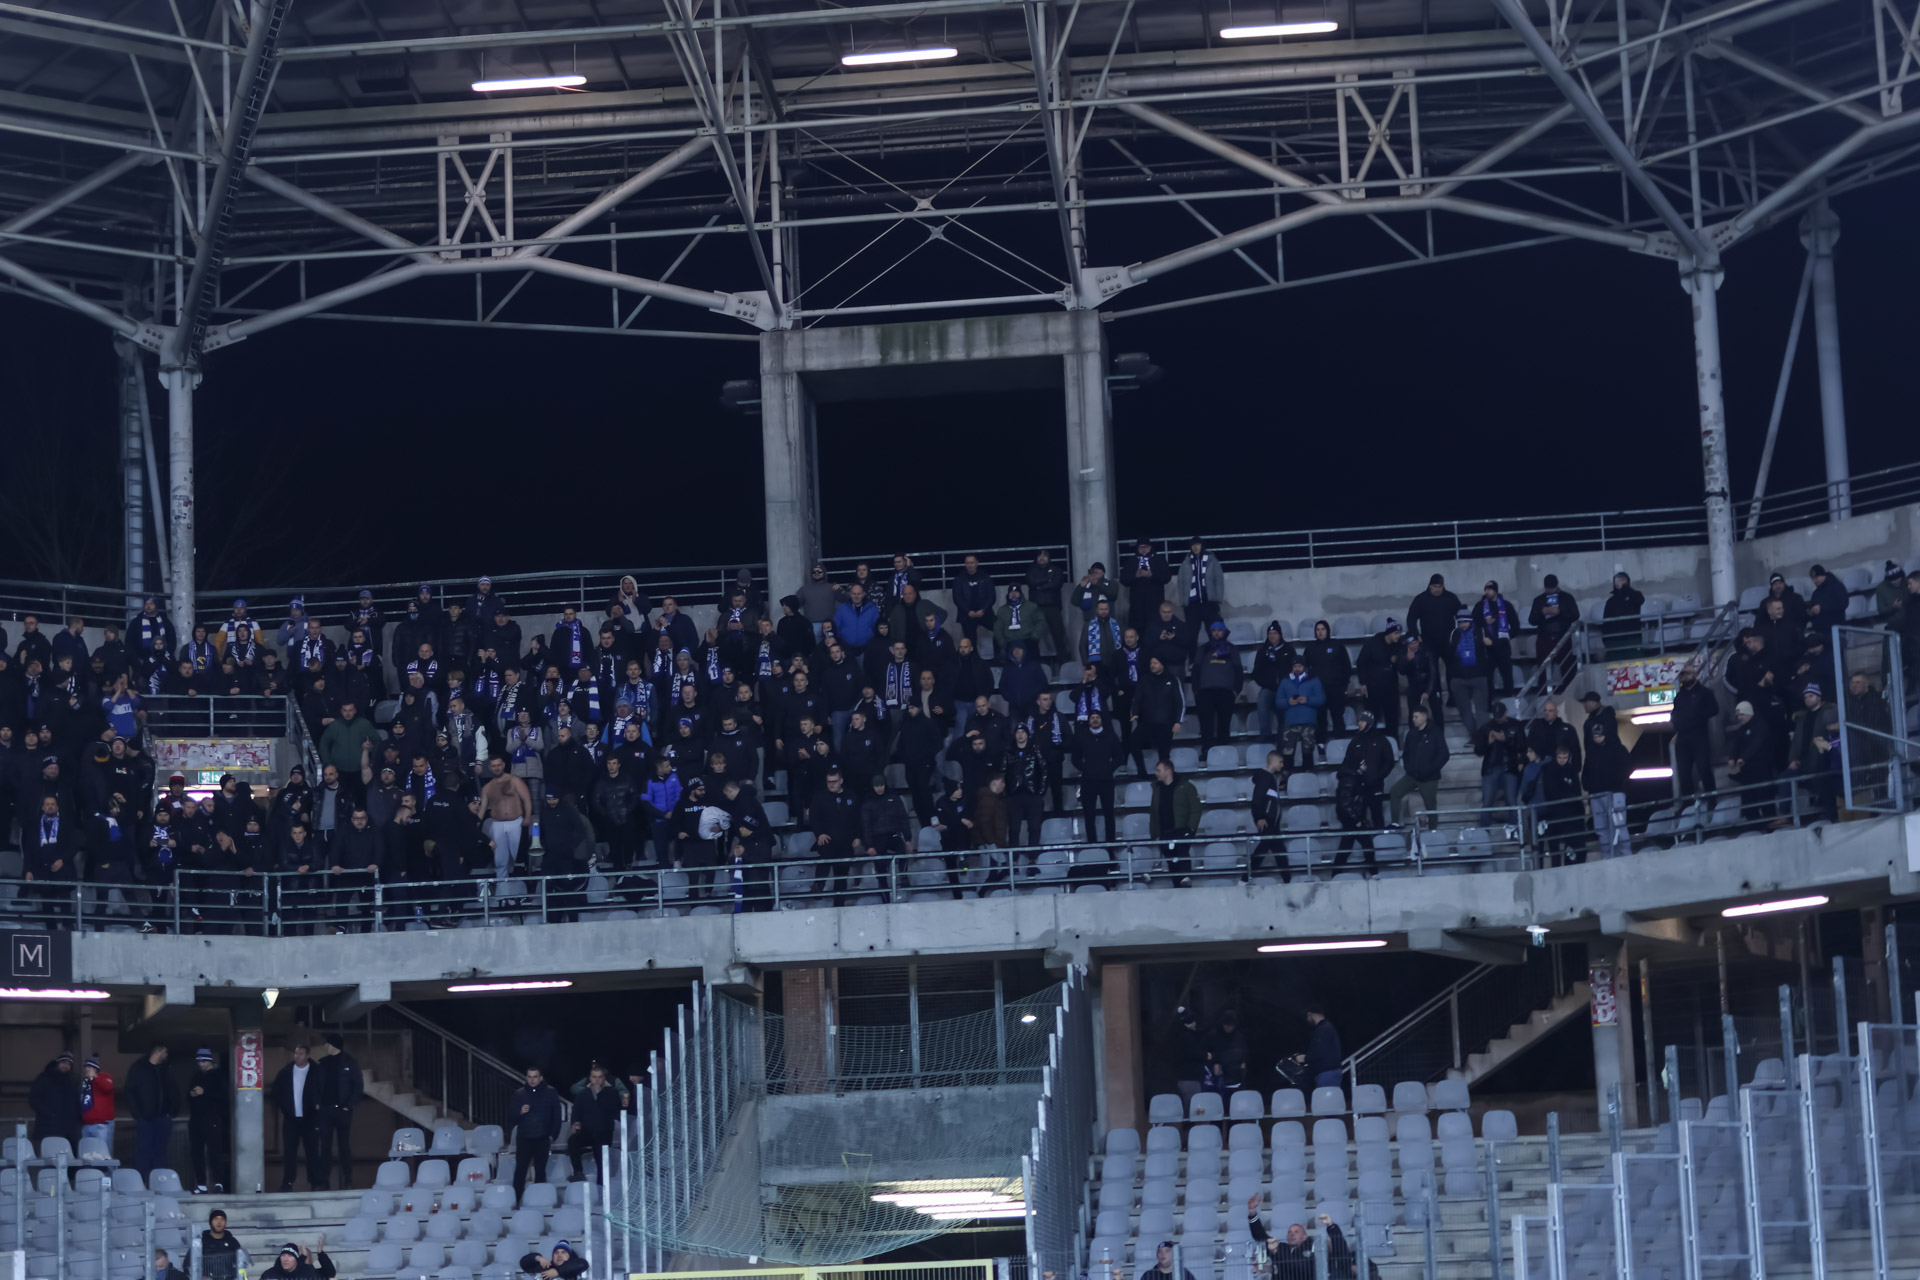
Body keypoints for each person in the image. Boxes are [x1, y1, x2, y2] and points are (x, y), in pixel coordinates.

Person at [1334, 710, 1393, 869]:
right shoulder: (1355, 742)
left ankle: (1380, 852)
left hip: (1375, 787)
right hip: (1357, 791)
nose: (1359, 723)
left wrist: (1378, 776)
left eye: (1362, 720)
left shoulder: (1381, 741)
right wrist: (1357, 773)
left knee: (1377, 817)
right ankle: (1370, 865)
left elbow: (1389, 762)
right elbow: (1345, 766)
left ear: (1369, 723)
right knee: (1356, 825)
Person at [1247, 1197, 1356, 1280]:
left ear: (1305, 1236)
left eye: (1296, 1231)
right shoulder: (1280, 1247)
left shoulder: (1314, 1247)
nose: (1292, 1234)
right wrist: (1252, 1213)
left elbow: (1340, 1248)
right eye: (1289, 1232)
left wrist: (1331, 1227)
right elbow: (1260, 1236)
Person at [271, 1044, 328, 1192]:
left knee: (312, 1151)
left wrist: (317, 1106)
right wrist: (285, 1108)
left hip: (310, 1118)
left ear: (307, 1056)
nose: (297, 1056)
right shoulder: (286, 1072)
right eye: (296, 1053)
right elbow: (276, 1092)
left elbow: (324, 1090)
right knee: (289, 1152)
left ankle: (315, 1182)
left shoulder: (316, 1071)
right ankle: (288, 1182)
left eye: (301, 1054)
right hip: (291, 1119)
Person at [507, 1065, 564, 1202]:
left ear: (541, 1078)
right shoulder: (519, 1094)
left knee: (540, 1170)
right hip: (524, 1138)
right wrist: (520, 1112)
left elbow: (557, 1116)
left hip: (542, 1138)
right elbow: (511, 1117)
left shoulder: (550, 1092)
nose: (532, 1080)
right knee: (520, 1170)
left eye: (535, 1077)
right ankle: (516, 1200)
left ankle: (539, 1201)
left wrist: (552, 1135)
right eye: (530, 1077)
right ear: (526, 1078)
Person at [1786, 683, 1841, 822]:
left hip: (1823, 758)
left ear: (1819, 697)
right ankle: (1786, 813)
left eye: (1811, 696)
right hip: (1803, 761)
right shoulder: (1802, 717)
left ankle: (1828, 813)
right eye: (1805, 697)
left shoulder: (1828, 711)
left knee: (1824, 782)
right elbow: (1797, 740)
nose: (1807, 699)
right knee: (1785, 777)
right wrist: (1793, 759)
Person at [126, 1042, 177, 1180]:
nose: (166, 1055)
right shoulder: (139, 1068)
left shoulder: (166, 1069)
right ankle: (141, 1183)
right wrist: (138, 1115)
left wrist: (171, 1112)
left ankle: (159, 1183)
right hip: (145, 1119)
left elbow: (174, 1090)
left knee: (160, 1153)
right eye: (165, 1052)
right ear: (158, 1052)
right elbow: (130, 1091)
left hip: (163, 1118)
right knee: (143, 1152)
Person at [1191, 621, 1244, 754]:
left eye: (1219, 630)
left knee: (1224, 724)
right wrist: (1196, 691)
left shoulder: (1232, 649)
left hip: (1226, 692)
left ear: (1224, 632)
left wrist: (1236, 690)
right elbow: (1195, 670)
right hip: (1205, 692)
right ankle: (1206, 751)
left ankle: (1223, 753)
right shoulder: (1203, 649)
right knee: (1205, 725)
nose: (1216, 633)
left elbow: (1238, 670)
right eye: (1214, 630)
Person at [318, 1033, 363, 1190]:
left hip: (342, 1111)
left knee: (344, 1146)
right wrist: (318, 1104)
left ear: (334, 1045)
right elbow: (316, 1085)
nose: (325, 1046)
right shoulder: (323, 1063)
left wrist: (349, 1105)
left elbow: (358, 1086)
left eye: (328, 1044)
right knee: (325, 1147)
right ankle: (324, 1181)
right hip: (325, 1110)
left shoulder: (350, 1063)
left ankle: (347, 1180)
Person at [1388, 707, 1448, 823]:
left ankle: (1432, 830)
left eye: (1416, 717)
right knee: (1395, 792)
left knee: (1431, 807)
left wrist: (1429, 770)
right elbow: (1406, 753)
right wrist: (1408, 768)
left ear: (1424, 717)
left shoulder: (1435, 733)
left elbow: (1444, 755)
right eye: (1413, 717)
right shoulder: (1411, 733)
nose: (1413, 719)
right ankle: (1395, 823)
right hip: (1412, 776)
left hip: (1429, 778)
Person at [1582, 720, 1631, 858]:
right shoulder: (1591, 752)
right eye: (1595, 736)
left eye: (1599, 735)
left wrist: (1617, 783)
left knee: (1619, 826)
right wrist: (1588, 786)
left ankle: (1626, 856)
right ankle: (1607, 858)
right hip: (1597, 795)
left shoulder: (1618, 749)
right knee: (1601, 829)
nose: (1597, 738)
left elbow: (1628, 767)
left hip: (1614, 794)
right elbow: (1586, 772)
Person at [1073, 711, 1123, 844]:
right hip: (1088, 781)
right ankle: (1092, 846)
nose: (1095, 720)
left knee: (1109, 815)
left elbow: (1119, 757)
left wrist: (1109, 769)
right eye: (1092, 718)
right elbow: (1075, 758)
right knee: (1089, 816)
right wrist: (1086, 769)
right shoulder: (1082, 736)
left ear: (1102, 720)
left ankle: (1110, 846)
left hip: (1106, 781)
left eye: (1097, 717)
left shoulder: (1110, 736)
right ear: (1089, 721)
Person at [1147, 759, 1201, 884]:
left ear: (1168, 771)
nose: (1156, 773)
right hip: (1164, 833)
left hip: (1181, 830)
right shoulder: (1157, 789)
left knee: (1182, 855)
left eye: (1159, 770)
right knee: (1172, 865)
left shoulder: (1186, 787)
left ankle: (1185, 881)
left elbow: (1196, 809)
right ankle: (1178, 887)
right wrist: (1155, 834)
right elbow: (1153, 812)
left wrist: (1191, 828)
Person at [1725, 701, 1777, 827]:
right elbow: (1735, 745)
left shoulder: (1761, 726)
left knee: (1765, 798)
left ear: (1749, 713)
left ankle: (1770, 824)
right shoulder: (1741, 730)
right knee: (1749, 801)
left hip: (1762, 769)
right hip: (1747, 772)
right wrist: (1732, 758)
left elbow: (1756, 744)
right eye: (1738, 715)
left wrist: (1743, 757)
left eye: (1741, 714)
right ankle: (1754, 825)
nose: (1739, 718)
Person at [1670, 663, 1718, 798]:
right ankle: (1687, 802)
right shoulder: (1679, 696)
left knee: (1704, 768)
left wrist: (1697, 716)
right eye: (1682, 675)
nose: (1684, 677)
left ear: (1694, 675)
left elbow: (1714, 709)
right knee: (1683, 773)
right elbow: (1675, 713)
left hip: (1699, 735)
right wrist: (1677, 723)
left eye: (1687, 674)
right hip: (1683, 736)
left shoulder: (1705, 692)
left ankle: (1711, 799)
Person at [187, 1046, 231, 1194]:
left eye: (203, 1061)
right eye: (199, 1061)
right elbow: (188, 1095)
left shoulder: (218, 1076)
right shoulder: (196, 1076)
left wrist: (204, 1092)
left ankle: (218, 1183)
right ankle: (201, 1184)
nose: (201, 1064)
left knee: (215, 1151)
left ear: (210, 1061)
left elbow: (223, 1096)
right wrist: (192, 1094)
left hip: (212, 1118)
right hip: (196, 1120)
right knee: (196, 1153)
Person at [568, 1064, 622, 1182]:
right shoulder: (583, 1093)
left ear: (604, 1078)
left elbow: (615, 1110)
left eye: (599, 1077)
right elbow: (576, 1110)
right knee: (572, 1141)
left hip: (604, 1133)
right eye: (594, 1077)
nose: (597, 1080)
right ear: (590, 1078)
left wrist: (600, 1094)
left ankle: (602, 1186)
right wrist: (575, 1122)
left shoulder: (612, 1093)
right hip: (587, 1132)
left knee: (601, 1160)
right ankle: (578, 1172)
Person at [1473, 702, 1523, 827]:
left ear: (1505, 713)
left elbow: (1522, 746)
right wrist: (1488, 743)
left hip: (1510, 768)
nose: (1499, 718)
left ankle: (1515, 832)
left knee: (1511, 802)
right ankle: (1484, 832)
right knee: (1487, 803)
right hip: (1490, 769)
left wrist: (1506, 740)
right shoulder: (1486, 727)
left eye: (1500, 715)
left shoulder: (1515, 725)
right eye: (1497, 716)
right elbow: (1478, 750)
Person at [1528, 574, 1582, 687]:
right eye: (1548, 588)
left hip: (1563, 637)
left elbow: (1575, 615)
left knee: (1567, 669)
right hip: (1544, 638)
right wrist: (1542, 613)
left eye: (1552, 588)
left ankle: (1569, 692)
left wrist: (1560, 612)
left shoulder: (1567, 598)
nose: (1550, 591)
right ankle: (1543, 694)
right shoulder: (1539, 600)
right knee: (1543, 671)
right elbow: (1532, 620)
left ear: (1557, 585)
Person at [1353, 619, 1402, 738]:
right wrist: (1363, 683)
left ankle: (1393, 743)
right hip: (1373, 687)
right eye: (1396, 633)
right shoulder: (1372, 644)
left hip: (1391, 688)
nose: (1398, 636)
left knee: (1392, 719)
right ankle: (1369, 743)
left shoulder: (1398, 645)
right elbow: (1361, 662)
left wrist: (1397, 661)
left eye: (1399, 633)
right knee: (1371, 719)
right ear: (1389, 633)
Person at [1177, 537, 1226, 648]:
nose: (1195, 547)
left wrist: (1217, 599)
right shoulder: (1186, 562)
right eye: (1193, 545)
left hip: (1209, 603)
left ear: (1202, 546)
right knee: (1191, 636)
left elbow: (1219, 580)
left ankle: (1217, 657)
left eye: (1198, 544)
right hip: (1192, 605)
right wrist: (1184, 602)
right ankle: (1193, 659)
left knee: (1215, 633)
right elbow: (1181, 583)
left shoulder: (1212, 560)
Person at [1277, 657, 1324, 769]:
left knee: (1308, 752)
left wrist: (1308, 700)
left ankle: (1308, 775)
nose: (1297, 669)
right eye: (1295, 666)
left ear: (1304, 667)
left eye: (1299, 666)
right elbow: (1278, 701)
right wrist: (1288, 702)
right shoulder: (1285, 682)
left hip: (1308, 722)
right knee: (1287, 753)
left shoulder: (1314, 681)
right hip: (1290, 722)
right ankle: (1286, 777)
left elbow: (1322, 699)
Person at [1475, 580, 1520, 695]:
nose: (1487, 592)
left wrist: (1505, 637)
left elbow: (1516, 626)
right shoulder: (1480, 606)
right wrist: (1484, 624)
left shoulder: (1506, 605)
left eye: (1490, 589)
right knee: (1487, 679)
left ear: (1495, 591)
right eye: (1486, 589)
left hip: (1502, 647)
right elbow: (1474, 625)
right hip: (1486, 648)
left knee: (1507, 677)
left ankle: (1508, 700)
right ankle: (1489, 703)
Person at [29, 1051, 80, 1148]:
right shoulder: (44, 1078)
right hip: (48, 1128)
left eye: (68, 1064)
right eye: (63, 1062)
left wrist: (77, 1117)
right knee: (50, 1154)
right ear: (58, 1063)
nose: (66, 1066)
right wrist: (49, 1114)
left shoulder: (72, 1081)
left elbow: (76, 1102)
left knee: (70, 1155)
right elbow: (34, 1100)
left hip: (69, 1130)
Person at [1601, 571, 1646, 659]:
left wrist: (1625, 588)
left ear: (1628, 582)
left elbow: (1640, 600)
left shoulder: (1635, 595)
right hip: (1614, 641)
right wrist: (1606, 640)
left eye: (1623, 580)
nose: (1620, 582)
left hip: (1632, 639)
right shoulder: (1610, 601)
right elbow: (1605, 621)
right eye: (1618, 580)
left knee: (1635, 663)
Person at [1297, 1005, 1342, 1088]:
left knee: (1324, 1096)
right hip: (1330, 1072)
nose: (1307, 1019)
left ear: (1311, 1014)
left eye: (1307, 1016)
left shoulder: (1323, 1029)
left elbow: (1319, 1051)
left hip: (1326, 1073)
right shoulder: (1327, 1027)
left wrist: (1304, 1058)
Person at [80, 1054, 115, 1151]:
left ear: (96, 1068)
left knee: (103, 1153)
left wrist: (95, 1077)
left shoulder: (104, 1076)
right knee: (87, 1154)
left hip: (102, 1125)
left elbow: (107, 1087)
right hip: (86, 1124)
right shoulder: (86, 1082)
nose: (87, 1069)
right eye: (86, 1067)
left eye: (90, 1067)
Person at [199, 1209, 245, 1280]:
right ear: (210, 1222)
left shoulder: (232, 1242)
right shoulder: (201, 1242)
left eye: (222, 1219)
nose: (219, 1222)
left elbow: (242, 1264)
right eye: (216, 1219)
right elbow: (188, 1266)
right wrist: (201, 1277)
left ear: (225, 1223)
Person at [265, 1239, 335, 1279]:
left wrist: (321, 1253)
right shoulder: (281, 1273)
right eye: (302, 1256)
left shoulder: (314, 1273)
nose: (304, 1259)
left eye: (307, 1256)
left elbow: (330, 1272)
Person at [518, 1241, 589, 1279]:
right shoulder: (546, 1268)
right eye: (556, 1253)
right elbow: (524, 1263)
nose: (559, 1255)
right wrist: (538, 1258)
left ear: (570, 1255)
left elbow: (582, 1264)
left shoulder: (574, 1270)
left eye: (563, 1252)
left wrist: (557, 1272)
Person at [1134, 1239, 1199, 1280]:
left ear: (1174, 1254)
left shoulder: (1184, 1274)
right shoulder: (1148, 1276)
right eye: (1160, 1251)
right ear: (1157, 1255)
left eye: (1167, 1251)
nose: (1163, 1254)